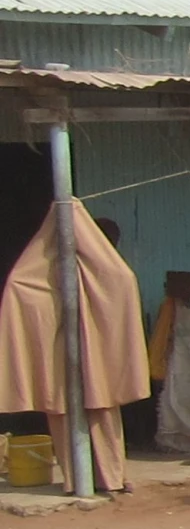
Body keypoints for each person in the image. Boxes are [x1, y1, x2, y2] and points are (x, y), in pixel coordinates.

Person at [0, 198, 147, 494]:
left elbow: (120, 290)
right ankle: (78, 479)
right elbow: (22, 298)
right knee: (66, 410)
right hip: (60, 356)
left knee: (100, 410)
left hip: (96, 357)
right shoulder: (32, 277)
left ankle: (111, 476)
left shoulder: (111, 274)